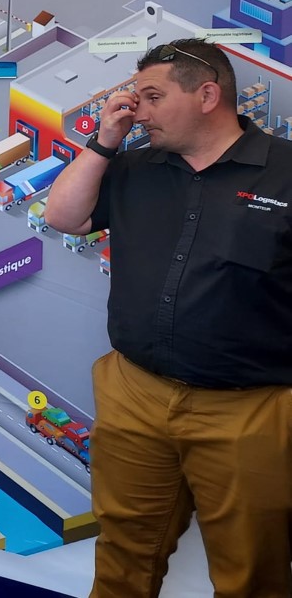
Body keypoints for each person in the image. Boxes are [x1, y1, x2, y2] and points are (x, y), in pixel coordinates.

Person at [40, 40, 292, 598]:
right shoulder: (134, 165)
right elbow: (63, 216)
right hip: (136, 393)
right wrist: (105, 141)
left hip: (249, 408)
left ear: (207, 95)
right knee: (124, 552)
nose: (139, 110)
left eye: (152, 97)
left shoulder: (285, 173)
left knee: (251, 569)